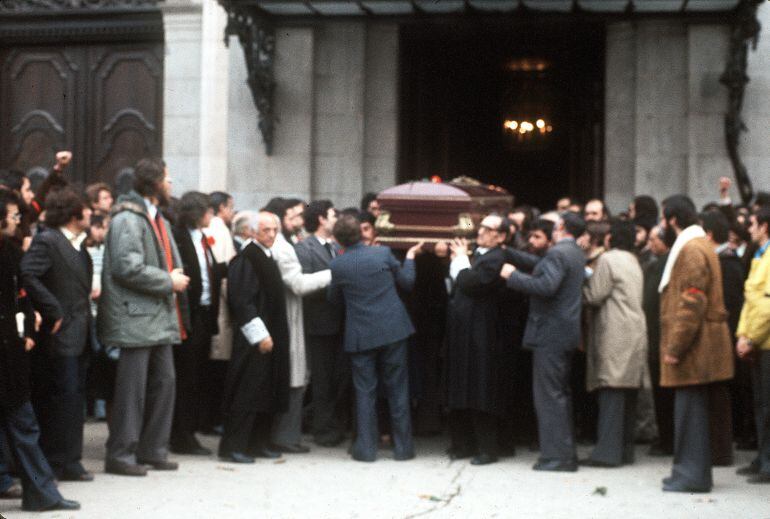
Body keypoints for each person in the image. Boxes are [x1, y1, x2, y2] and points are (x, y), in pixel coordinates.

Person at [99, 158, 190, 476]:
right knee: (132, 391)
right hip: (135, 316)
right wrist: (169, 280)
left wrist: (173, 276)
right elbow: (127, 267)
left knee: (164, 384)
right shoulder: (128, 219)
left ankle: (153, 449)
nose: (171, 183)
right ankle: (121, 454)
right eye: (167, 178)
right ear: (153, 184)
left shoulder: (157, 218)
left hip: (157, 316)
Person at [0, 190, 80, 511]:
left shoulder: (8, 252)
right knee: (23, 424)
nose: (17, 221)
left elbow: (19, 298)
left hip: (10, 350)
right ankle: (42, 492)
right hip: (6, 355)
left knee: (22, 424)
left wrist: (27, 330)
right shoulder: (8, 253)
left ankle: (41, 492)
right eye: (13, 216)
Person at [328, 215, 422, 462]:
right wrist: (410, 258)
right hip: (393, 328)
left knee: (365, 392)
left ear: (338, 240)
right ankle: (404, 448)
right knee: (398, 389)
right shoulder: (382, 254)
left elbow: (334, 300)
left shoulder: (338, 265)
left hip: (361, 334)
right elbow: (407, 282)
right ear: (361, 232)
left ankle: (366, 449)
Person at [658, 195, 733, 493]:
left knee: (690, 413)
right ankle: (690, 472)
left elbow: (692, 301)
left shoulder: (690, 249)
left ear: (673, 219)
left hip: (695, 346)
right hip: (700, 344)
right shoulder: (699, 244)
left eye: (664, 219)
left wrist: (675, 347)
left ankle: (691, 475)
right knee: (693, 411)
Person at [500, 211, 586, 472]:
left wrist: (512, 276)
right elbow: (541, 266)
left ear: (561, 227)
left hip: (550, 334)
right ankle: (563, 452)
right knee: (558, 395)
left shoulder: (558, 253)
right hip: (563, 333)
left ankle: (556, 457)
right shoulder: (573, 252)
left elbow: (546, 285)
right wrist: (509, 252)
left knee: (549, 396)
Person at [21, 188, 94, 482]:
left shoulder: (78, 245)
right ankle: (59, 459)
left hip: (80, 331)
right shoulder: (48, 241)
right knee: (62, 398)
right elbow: (29, 273)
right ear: (74, 213)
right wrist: (53, 309)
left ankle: (70, 459)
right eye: (86, 209)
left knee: (74, 398)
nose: (91, 213)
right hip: (61, 333)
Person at [219, 211, 289, 463]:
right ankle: (233, 446)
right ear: (251, 231)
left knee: (264, 391)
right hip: (255, 338)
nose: (271, 235)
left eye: (274, 230)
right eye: (265, 230)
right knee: (247, 392)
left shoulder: (265, 256)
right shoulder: (246, 259)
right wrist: (260, 335)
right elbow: (242, 301)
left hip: (271, 334)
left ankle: (257, 443)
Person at [580, 219, 647, 467]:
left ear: (610, 238)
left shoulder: (608, 259)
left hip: (615, 330)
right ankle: (624, 450)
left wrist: (579, 286)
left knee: (611, 389)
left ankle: (606, 453)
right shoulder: (633, 259)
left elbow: (595, 295)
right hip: (634, 330)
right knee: (627, 391)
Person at [445, 214, 510, 466]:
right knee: (462, 387)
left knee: (481, 390)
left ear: (501, 236)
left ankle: (487, 448)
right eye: (480, 226)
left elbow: (469, 282)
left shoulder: (495, 258)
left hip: (482, 334)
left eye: (488, 228)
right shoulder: (479, 254)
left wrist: (461, 258)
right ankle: (463, 444)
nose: (480, 231)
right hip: (465, 331)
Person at [169, 192, 224, 455]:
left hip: (204, 314)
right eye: (208, 211)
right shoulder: (179, 237)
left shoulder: (203, 239)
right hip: (187, 314)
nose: (211, 216)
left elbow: (210, 270)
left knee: (197, 375)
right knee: (186, 377)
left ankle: (189, 429)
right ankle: (182, 435)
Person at [295, 200, 349, 447]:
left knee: (337, 377)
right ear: (320, 219)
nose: (336, 218)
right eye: (332, 214)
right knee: (322, 379)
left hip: (339, 322)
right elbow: (304, 284)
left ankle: (328, 422)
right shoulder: (305, 249)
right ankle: (322, 429)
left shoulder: (337, 247)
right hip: (319, 323)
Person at [702, 210, 744, 466]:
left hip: (723, 337)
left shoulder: (726, 263)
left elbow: (729, 304)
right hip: (722, 336)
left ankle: (720, 452)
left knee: (719, 394)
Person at [735, 207, 770, 484]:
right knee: (760, 404)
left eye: (754, 224)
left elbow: (767, 308)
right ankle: (763, 457)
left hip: (766, 342)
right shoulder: (760, 255)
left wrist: (751, 338)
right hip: (758, 342)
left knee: (767, 406)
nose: (749, 229)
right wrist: (742, 335)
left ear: (765, 226)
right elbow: (752, 300)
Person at [202, 191, 238, 435]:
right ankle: (211, 418)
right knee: (215, 368)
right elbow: (224, 269)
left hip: (219, 307)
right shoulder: (219, 229)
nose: (232, 212)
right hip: (221, 308)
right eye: (230, 207)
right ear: (221, 208)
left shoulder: (216, 228)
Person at [643, 226, 673, 456]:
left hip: (659, 336)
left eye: (653, 239)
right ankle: (665, 438)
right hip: (655, 335)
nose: (649, 243)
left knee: (663, 394)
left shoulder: (665, 263)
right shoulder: (658, 262)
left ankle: (667, 440)